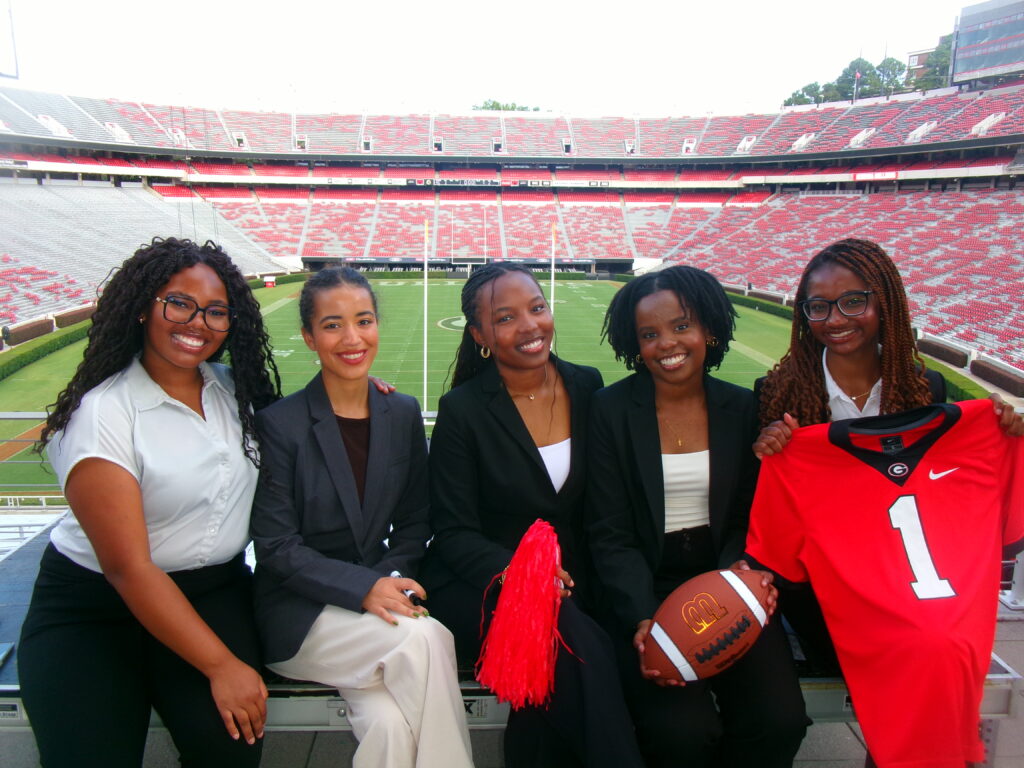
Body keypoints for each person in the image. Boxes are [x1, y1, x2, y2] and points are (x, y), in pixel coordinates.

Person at [19, 237, 282, 768]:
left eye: (215, 311)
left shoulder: (233, 389)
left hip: (212, 595)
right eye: (179, 303)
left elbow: (304, 429)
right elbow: (129, 569)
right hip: (94, 610)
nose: (198, 323)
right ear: (143, 307)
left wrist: (359, 389)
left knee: (228, 755)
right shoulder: (103, 413)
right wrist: (221, 667)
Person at [751, 238, 1023, 676]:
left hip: (899, 571)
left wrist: (1001, 429)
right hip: (820, 582)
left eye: (853, 302)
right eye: (818, 307)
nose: (835, 320)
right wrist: (766, 450)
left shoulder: (923, 388)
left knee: (926, 652)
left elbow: (945, 489)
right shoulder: (775, 393)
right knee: (881, 660)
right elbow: (765, 512)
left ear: (886, 302)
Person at [419, 262, 644, 768]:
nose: (529, 326)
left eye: (537, 308)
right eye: (505, 318)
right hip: (488, 583)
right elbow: (452, 532)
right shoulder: (462, 409)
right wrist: (524, 575)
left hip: (575, 580)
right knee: (579, 649)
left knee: (560, 680)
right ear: (479, 334)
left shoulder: (588, 386)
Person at [249, 267, 472, 768]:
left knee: (389, 727)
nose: (352, 338)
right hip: (298, 615)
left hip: (379, 602)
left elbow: (416, 522)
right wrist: (363, 589)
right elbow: (277, 546)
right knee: (426, 638)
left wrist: (387, 578)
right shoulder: (280, 426)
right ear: (309, 336)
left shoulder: (403, 412)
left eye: (363, 320)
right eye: (332, 325)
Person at [585, 265, 808, 768]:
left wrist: (745, 577)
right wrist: (640, 615)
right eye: (649, 334)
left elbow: (749, 517)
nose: (667, 343)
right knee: (681, 732)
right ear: (633, 343)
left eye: (681, 326)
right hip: (649, 587)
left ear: (709, 328)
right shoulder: (610, 410)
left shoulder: (743, 406)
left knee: (779, 720)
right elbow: (610, 532)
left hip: (727, 577)